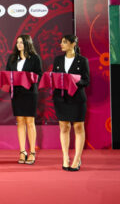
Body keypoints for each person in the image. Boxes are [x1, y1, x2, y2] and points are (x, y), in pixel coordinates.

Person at [53, 34, 90, 171]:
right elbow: (54, 77)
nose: (61, 44)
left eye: (64, 42)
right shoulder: (57, 60)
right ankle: (65, 157)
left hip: (77, 98)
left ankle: (77, 159)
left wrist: (73, 81)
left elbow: (86, 81)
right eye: (61, 42)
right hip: (60, 98)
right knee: (64, 127)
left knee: (78, 127)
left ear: (73, 44)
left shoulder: (83, 60)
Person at [5, 34, 42, 165]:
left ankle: (32, 152)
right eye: (17, 42)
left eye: (21, 42)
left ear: (27, 43)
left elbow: (39, 75)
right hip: (16, 93)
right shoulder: (12, 58)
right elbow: (7, 73)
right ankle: (22, 151)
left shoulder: (35, 58)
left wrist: (28, 78)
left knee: (30, 122)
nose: (18, 45)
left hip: (30, 92)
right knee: (20, 121)